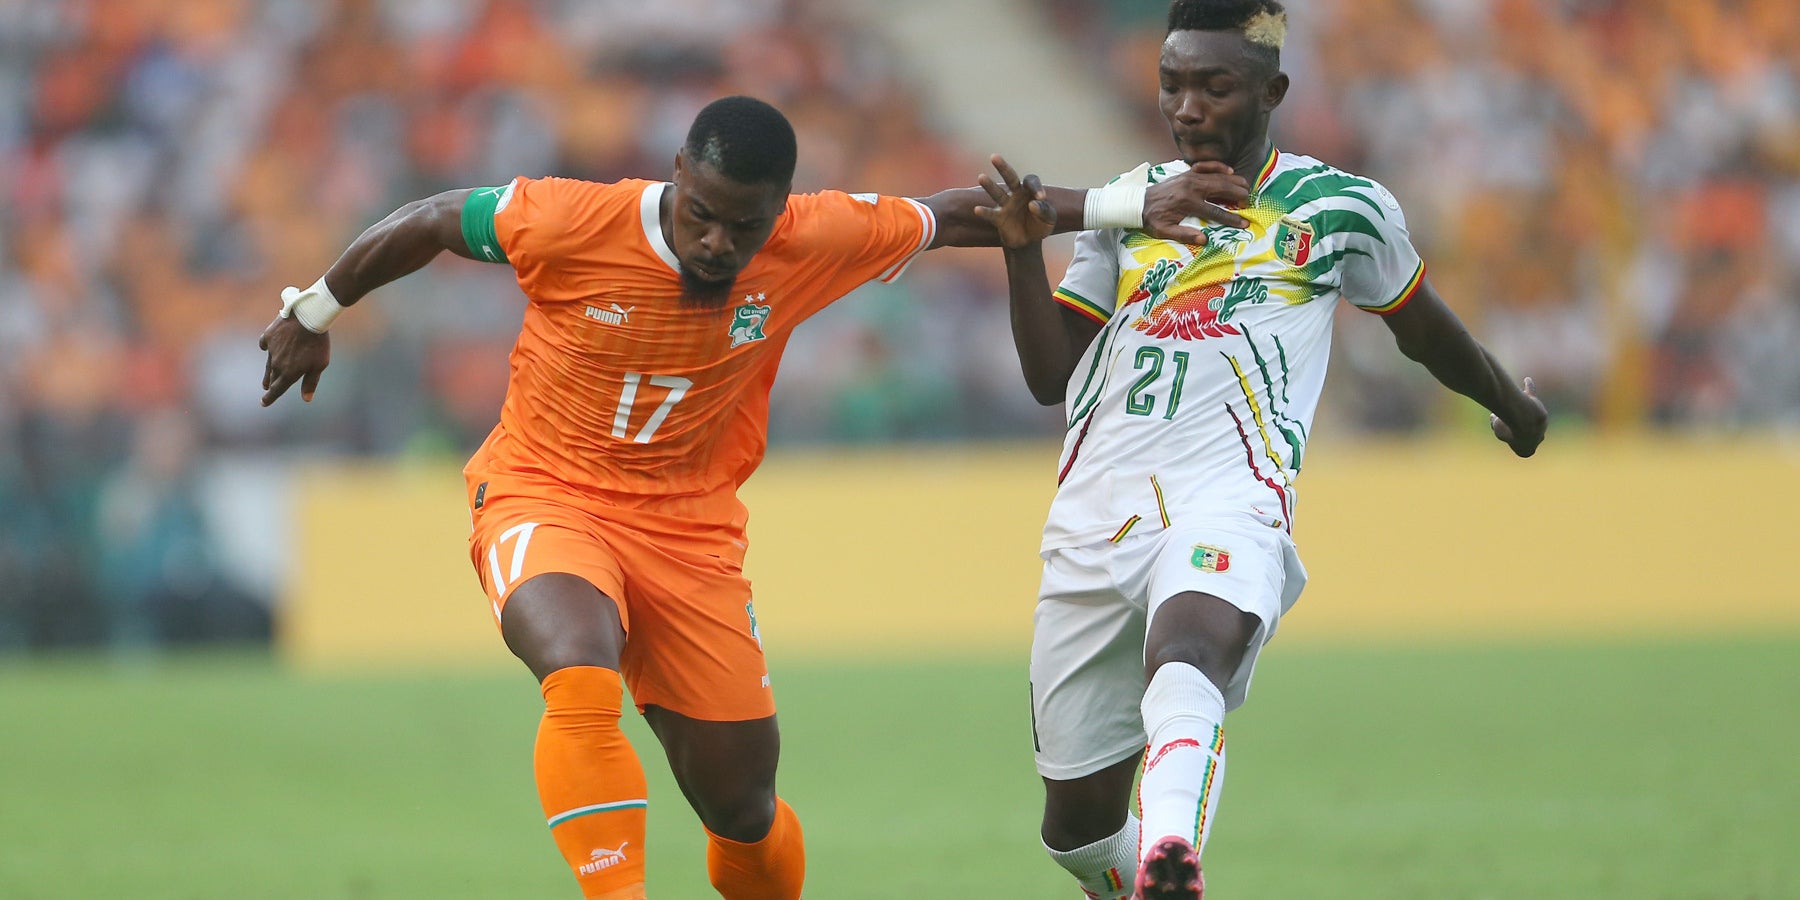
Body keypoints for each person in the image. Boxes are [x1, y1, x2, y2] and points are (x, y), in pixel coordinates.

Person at [257, 95, 1247, 900]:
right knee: (578, 663)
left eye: (746, 224)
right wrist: (314, 308)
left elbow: (964, 215)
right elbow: (431, 221)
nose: (720, 241)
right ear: (677, 177)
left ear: (780, 209)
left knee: (743, 808)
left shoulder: (810, 240)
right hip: (543, 492)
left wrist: (1118, 212)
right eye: (703, 214)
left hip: (690, 536)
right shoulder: (564, 219)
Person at [978, 2, 1550, 897]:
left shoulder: (1337, 208)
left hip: (1228, 496)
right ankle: (1136, 869)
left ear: (1271, 91)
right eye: (1173, 84)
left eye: (1215, 86)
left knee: (1190, 649)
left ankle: (1172, 857)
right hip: (1096, 515)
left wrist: (1511, 402)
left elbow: (1422, 331)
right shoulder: (1130, 206)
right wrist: (1021, 257)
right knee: (1077, 831)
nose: (1189, 107)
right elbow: (1051, 375)